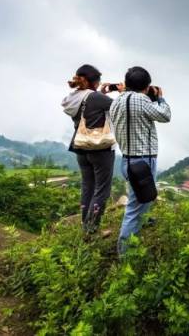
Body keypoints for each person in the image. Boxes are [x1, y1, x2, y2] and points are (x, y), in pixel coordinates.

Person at [110, 66, 171, 255]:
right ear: (146, 86)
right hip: (143, 162)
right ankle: (125, 254)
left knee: (143, 200)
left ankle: (139, 229)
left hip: (127, 159)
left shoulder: (117, 101)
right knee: (134, 208)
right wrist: (160, 97)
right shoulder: (142, 100)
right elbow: (165, 115)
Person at [61, 64, 120, 234]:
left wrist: (100, 93)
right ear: (94, 82)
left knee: (87, 186)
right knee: (102, 189)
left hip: (81, 146)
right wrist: (123, 92)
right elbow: (121, 108)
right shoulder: (95, 97)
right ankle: (91, 229)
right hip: (99, 148)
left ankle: (84, 225)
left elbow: (90, 105)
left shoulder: (73, 97)